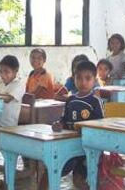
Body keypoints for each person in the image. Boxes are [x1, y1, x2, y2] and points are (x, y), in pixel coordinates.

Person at [40, 61, 104, 189]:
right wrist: (59, 124)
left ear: (94, 80)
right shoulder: (70, 99)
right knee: (50, 170)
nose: (83, 82)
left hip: (87, 149)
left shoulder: (95, 101)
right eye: (79, 78)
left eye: (88, 78)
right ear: (73, 79)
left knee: (80, 180)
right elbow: (64, 119)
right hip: (68, 147)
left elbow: (100, 125)